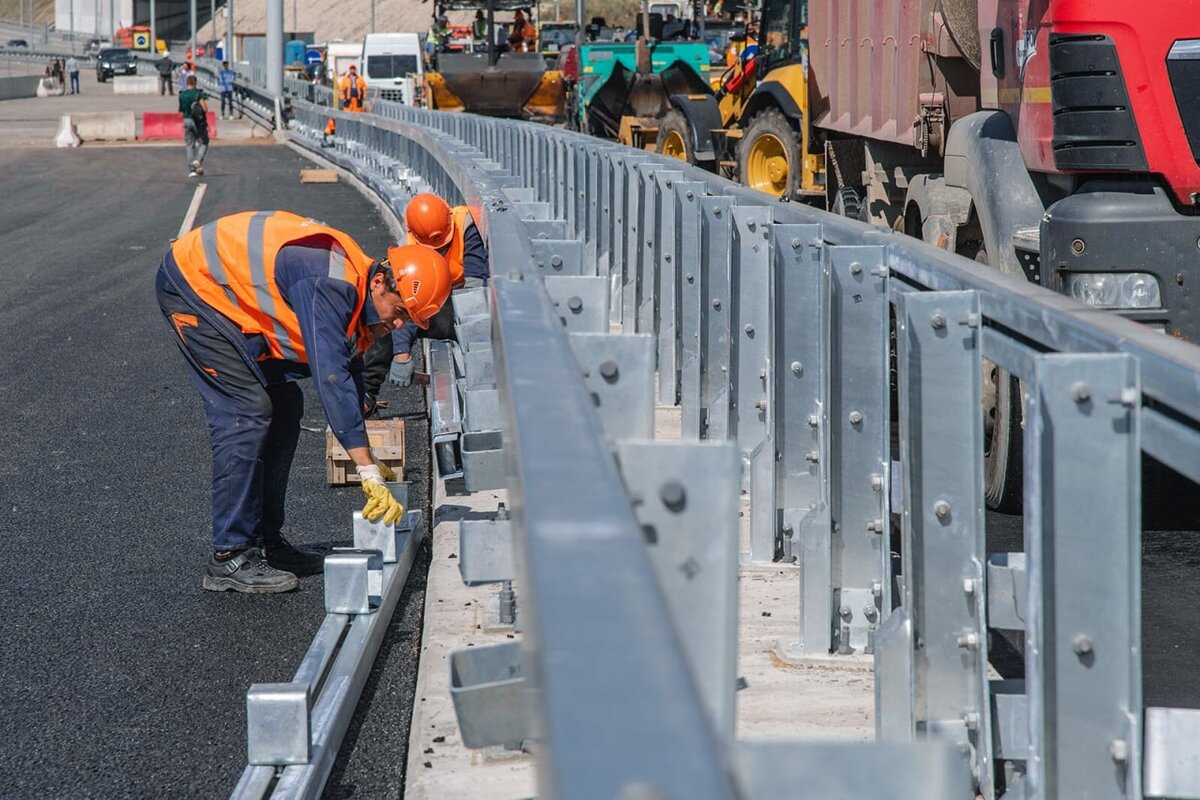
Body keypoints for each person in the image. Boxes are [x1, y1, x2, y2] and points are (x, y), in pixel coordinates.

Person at [155, 212, 453, 592]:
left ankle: (266, 541)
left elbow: (350, 369)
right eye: (398, 313)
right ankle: (229, 556)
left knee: (286, 405)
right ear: (380, 282)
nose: (397, 327)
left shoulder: (358, 285)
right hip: (195, 287)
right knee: (247, 413)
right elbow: (331, 375)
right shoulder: (328, 284)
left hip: (224, 293)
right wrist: (366, 468)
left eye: (407, 321)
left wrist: (366, 450)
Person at [363, 193, 490, 401]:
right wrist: (401, 353)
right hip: (431, 304)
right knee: (383, 324)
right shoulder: (408, 249)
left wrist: (473, 340)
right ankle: (366, 396)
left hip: (463, 301)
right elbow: (408, 304)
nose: (440, 249)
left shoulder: (467, 224)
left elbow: (475, 286)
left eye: (443, 244)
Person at [178, 75, 209, 177]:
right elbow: (205, 109)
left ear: (187, 83)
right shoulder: (198, 93)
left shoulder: (182, 95)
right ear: (195, 83)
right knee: (204, 142)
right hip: (198, 121)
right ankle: (198, 160)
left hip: (187, 120)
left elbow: (181, 109)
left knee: (189, 145)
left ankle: (192, 170)